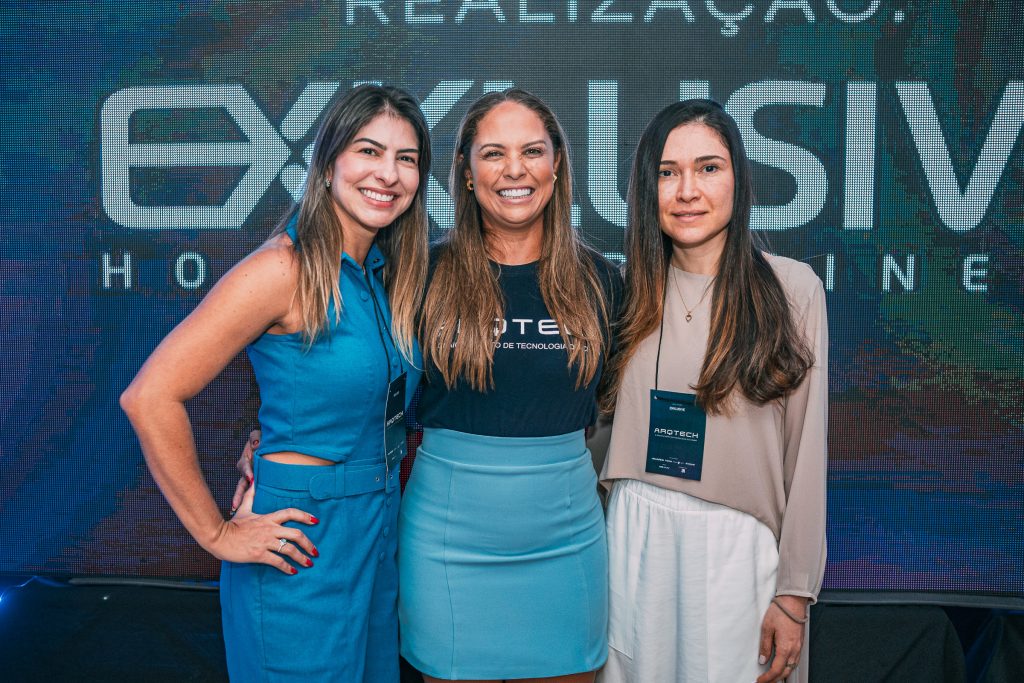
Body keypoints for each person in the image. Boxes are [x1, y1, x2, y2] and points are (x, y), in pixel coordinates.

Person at [120, 84, 431, 682]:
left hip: (377, 524)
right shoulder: (280, 269)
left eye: (406, 158)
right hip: (301, 537)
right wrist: (216, 533)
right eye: (369, 151)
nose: (387, 174)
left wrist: (262, 432)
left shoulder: (386, 273)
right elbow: (150, 396)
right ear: (329, 161)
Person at [598, 99, 827, 683]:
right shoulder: (622, 289)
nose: (686, 190)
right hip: (634, 538)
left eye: (708, 168)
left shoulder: (792, 288)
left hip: (738, 549)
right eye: (667, 172)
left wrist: (794, 594)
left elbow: (807, 454)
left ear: (739, 179)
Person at [399, 88, 621, 682]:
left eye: (533, 151)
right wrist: (261, 428)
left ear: (557, 167)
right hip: (447, 542)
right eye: (493, 153)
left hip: (567, 540)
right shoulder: (421, 274)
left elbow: (628, 401)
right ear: (467, 173)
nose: (515, 169)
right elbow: (357, 377)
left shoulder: (605, 281)